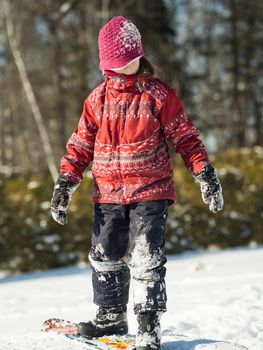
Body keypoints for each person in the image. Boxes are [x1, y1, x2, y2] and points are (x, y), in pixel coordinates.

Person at [50, 16, 224, 350]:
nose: (129, 66)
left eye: (133, 59)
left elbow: (186, 139)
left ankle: (148, 323)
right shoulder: (97, 101)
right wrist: (64, 184)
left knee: (146, 257)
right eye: (121, 62)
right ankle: (111, 314)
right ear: (107, 64)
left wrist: (205, 174)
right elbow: (80, 146)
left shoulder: (157, 95)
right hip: (108, 194)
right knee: (104, 254)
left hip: (150, 190)